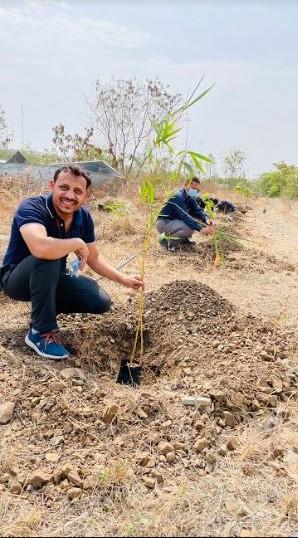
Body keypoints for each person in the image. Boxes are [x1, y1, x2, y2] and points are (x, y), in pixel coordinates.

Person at [0, 165, 143, 360]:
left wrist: (123, 279)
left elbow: (93, 257)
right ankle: (40, 332)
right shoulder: (32, 207)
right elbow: (40, 248)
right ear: (52, 185)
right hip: (16, 280)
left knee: (99, 300)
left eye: (77, 191)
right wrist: (75, 243)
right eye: (64, 187)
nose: (70, 195)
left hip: (53, 278)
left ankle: (42, 310)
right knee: (49, 256)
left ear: (86, 195)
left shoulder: (83, 217)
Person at [156, 176, 213, 250]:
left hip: (175, 223)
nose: (195, 190)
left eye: (197, 189)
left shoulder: (190, 198)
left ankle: (183, 240)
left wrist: (206, 219)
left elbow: (198, 211)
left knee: (193, 222)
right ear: (186, 184)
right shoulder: (178, 196)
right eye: (193, 188)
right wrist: (201, 229)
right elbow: (185, 216)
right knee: (190, 227)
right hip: (164, 223)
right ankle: (167, 243)